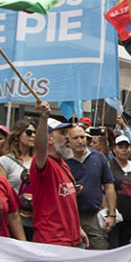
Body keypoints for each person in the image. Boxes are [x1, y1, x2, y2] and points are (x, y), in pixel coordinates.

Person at [30, 101, 88, 248]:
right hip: (53, 242)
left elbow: (67, 204)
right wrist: (43, 119)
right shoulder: (44, 164)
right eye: (62, 134)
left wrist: (78, 229)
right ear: (49, 138)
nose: (67, 137)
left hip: (73, 240)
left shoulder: (63, 164)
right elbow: (40, 148)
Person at [66, 125, 116, 250]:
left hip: (92, 216)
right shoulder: (62, 160)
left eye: (82, 137)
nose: (80, 141)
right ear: (68, 140)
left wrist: (112, 215)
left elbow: (109, 186)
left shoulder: (98, 157)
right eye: (75, 138)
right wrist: (71, 191)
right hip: (68, 216)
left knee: (99, 252)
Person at [0, 120, 36, 239]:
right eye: (28, 132)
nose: (33, 136)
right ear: (17, 136)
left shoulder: (40, 161)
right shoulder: (5, 161)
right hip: (14, 220)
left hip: (38, 220)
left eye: (34, 132)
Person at [108, 135, 131, 247]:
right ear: (114, 149)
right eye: (120, 147)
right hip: (116, 217)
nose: (124, 150)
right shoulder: (109, 166)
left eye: (126, 147)